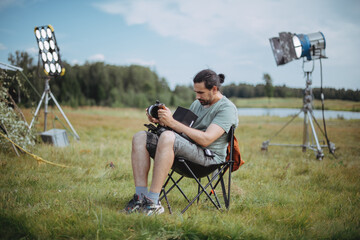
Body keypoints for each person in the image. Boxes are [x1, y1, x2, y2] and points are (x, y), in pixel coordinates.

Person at [124, 69, 239, 215]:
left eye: (201, 93)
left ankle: (152, 202)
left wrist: (172, 123)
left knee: (167, 137)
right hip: (187, 153)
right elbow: (181, 131)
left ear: (214, 89)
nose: (197, 97)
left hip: (208, 159)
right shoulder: (198, 104)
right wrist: (163, 121)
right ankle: (140, 198)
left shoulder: (227, 108)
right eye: (196, 92)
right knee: (140, 136)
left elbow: (206, 139)